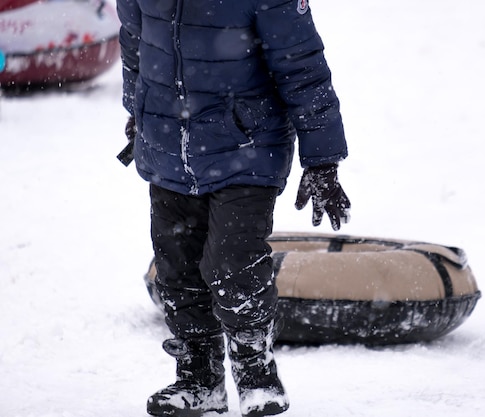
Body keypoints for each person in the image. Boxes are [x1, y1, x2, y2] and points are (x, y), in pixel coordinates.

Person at [116, 0, 350, 416]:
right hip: (168, 144)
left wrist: (322, 161)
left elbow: (302, 66)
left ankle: (256, 374)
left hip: (247, 146)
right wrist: (139, 112)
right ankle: (199, 379)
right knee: (177, 269)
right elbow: (135, 44)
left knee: (234, 264)